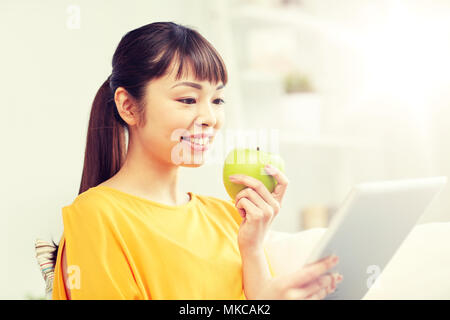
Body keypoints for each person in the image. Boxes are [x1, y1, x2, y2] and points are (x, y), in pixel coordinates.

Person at [51, 21, 342, 300]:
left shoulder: (229, 218)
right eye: (188, 100)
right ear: (128, 106)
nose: (210, 119)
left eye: (217, 100)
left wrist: (253, 247)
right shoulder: (96, 216)